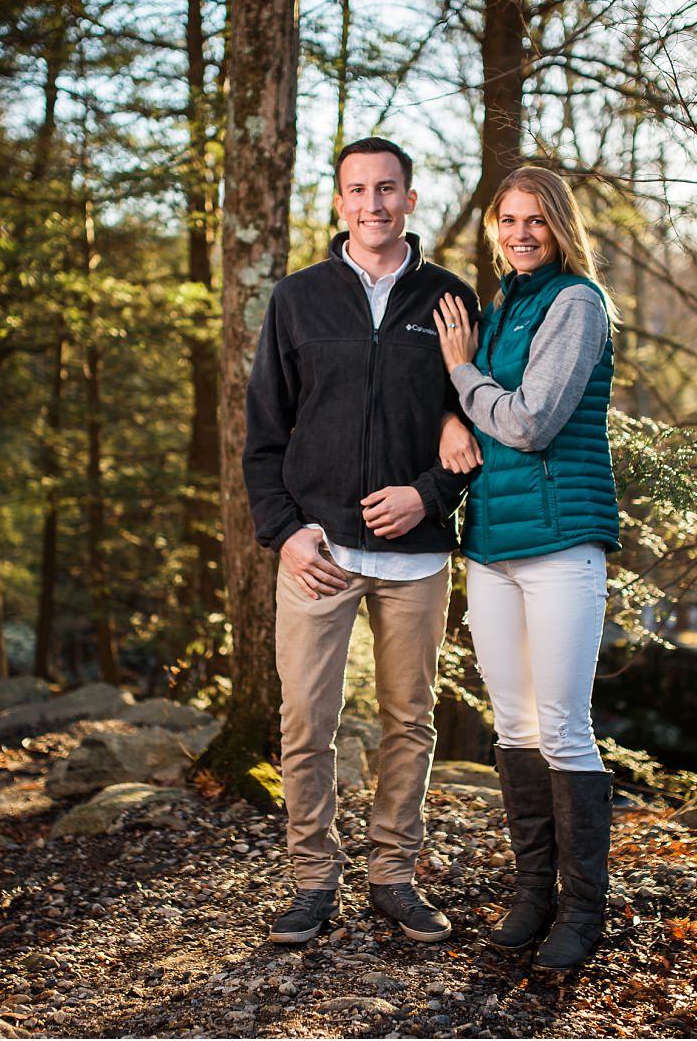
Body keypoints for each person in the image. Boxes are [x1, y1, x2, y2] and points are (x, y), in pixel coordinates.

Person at [244, 136, 482, 946]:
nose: (372, 203)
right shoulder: (298, 299)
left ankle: (392, 876)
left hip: (416, 559)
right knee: (305, 720)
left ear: (411, 200)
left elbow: (479, 425)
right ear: (339, 200)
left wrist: (429, 493)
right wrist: (283, 533)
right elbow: (262, 432)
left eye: (387, 189)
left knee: (407, 719)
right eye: (357, 189)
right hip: (319, 554)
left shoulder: (450, 301)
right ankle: (312, 880)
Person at [433, 165, 621, 972]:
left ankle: (582, 911)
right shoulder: (504, 303)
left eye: (534, 220)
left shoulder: (576, 301)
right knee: (513, 725)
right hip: (490, 547)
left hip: (560, 541)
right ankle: (533, 893)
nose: (518, 233)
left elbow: (532, 421)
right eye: (507, 220)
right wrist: (453, 407)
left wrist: (458, 374)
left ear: (559, 226)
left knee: (565, 724)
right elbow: (479, 420)